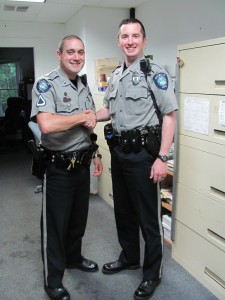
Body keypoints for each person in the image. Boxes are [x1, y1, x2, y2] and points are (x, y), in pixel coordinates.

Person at [96, 18, 178, 300]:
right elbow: (108, 110)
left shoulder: (153, 72)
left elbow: (169, 116)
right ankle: (129, 256)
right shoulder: (117, 74)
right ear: (118, 40)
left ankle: (152, 273)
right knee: (124, 212)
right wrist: (88, 117)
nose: (129, 41)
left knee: (148, 219)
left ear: (144, 40)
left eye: (135, 36)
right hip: (119, 153)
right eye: (124, 36)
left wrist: (162, 158)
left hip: (144, 155)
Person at [30, 35, 103, 300]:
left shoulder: (84, 85)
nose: (76, 57)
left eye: (81, 52)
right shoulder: (46, 84)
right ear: (59, 54)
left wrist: (96, 154)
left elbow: (89, 127)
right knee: (55, 226)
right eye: (70, 52)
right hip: (58, 168)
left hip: (82, 164)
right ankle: (53, 279)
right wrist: (81, 117)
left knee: (77, 221)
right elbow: (47, 125)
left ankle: (73, 258)